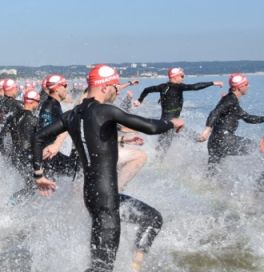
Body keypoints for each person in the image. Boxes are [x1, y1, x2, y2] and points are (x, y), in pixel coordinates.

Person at [33, 65, 184, 272]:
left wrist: (38, 174)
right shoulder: (106, 111)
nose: (117, 90)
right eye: (115, 85)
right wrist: (172, 122)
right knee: (101, 269)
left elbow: (38, 137)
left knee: (152, 218)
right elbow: (151, 127)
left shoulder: (72, 115)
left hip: (93, 196)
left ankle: (134, 267)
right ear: (104, 87)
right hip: (106, 200)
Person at [134, 67, 223, 157]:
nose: (183, 78)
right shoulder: (178, 87)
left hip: (167, 122)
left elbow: (146, 89)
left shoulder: (162, 87)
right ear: (174, 77)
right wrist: (212, 83)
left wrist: (139, 100)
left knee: (163, 148)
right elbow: (194, 87)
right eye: (182, 76)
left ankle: (157, 160)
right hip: (171, 124)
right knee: (164, 149)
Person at [198, 73, 264, 175]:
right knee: (256, 147)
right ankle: (261, 181)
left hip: (214, 140)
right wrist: (206, 130)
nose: (248, 86)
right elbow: (215, 112)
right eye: (246, 84)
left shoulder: (231, 100)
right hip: (225, 139)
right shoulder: (230, 100)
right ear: (240, 87)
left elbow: (247, 118)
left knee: (213, 173)